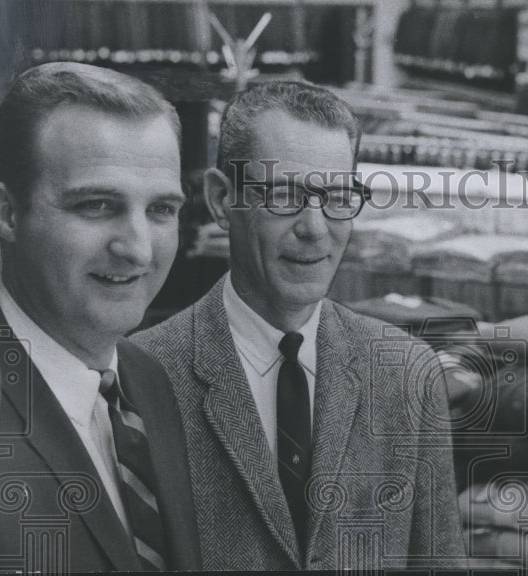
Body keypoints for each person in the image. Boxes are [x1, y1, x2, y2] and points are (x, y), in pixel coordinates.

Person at [132, 80, 466, 570]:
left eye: (336, 196)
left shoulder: (406, 374)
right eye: (285, 194)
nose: (314, 227)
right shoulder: (142, 377)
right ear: (223, 199)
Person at [0, 62, 201, 572]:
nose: (137, 249)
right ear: (5, 213)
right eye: (97, 205)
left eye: (161, 211)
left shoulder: (156, 384)